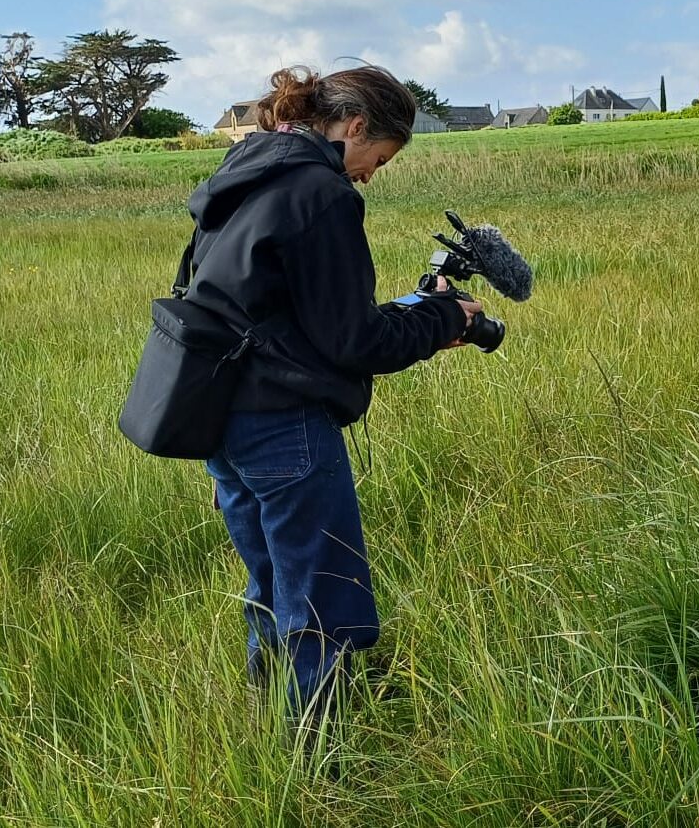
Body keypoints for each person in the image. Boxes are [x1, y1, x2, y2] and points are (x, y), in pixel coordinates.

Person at [176, 65, 481, 727]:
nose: (374, 172)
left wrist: (415, 318)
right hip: (284, 422)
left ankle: (271, 716)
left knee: (272, 583)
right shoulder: (322, 192)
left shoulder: (247, 168)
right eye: (382, 157)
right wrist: (443, 320)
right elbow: (354, 342)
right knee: (322, 601)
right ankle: (322, 754)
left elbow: (292, 313)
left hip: (220, 415)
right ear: (356, 126)